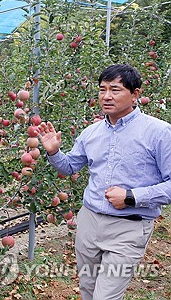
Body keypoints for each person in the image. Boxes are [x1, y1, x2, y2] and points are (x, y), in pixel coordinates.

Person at [38, 64, 171, 300]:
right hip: (90, 222)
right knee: (88, 291)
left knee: (105, 297)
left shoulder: (159, 133)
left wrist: (131, 196)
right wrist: (54, 152)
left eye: (115, 90)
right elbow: (70, 167)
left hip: (129, 227)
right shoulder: (91, 133)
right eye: (102, 89)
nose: (107, 96)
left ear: (135, 94)